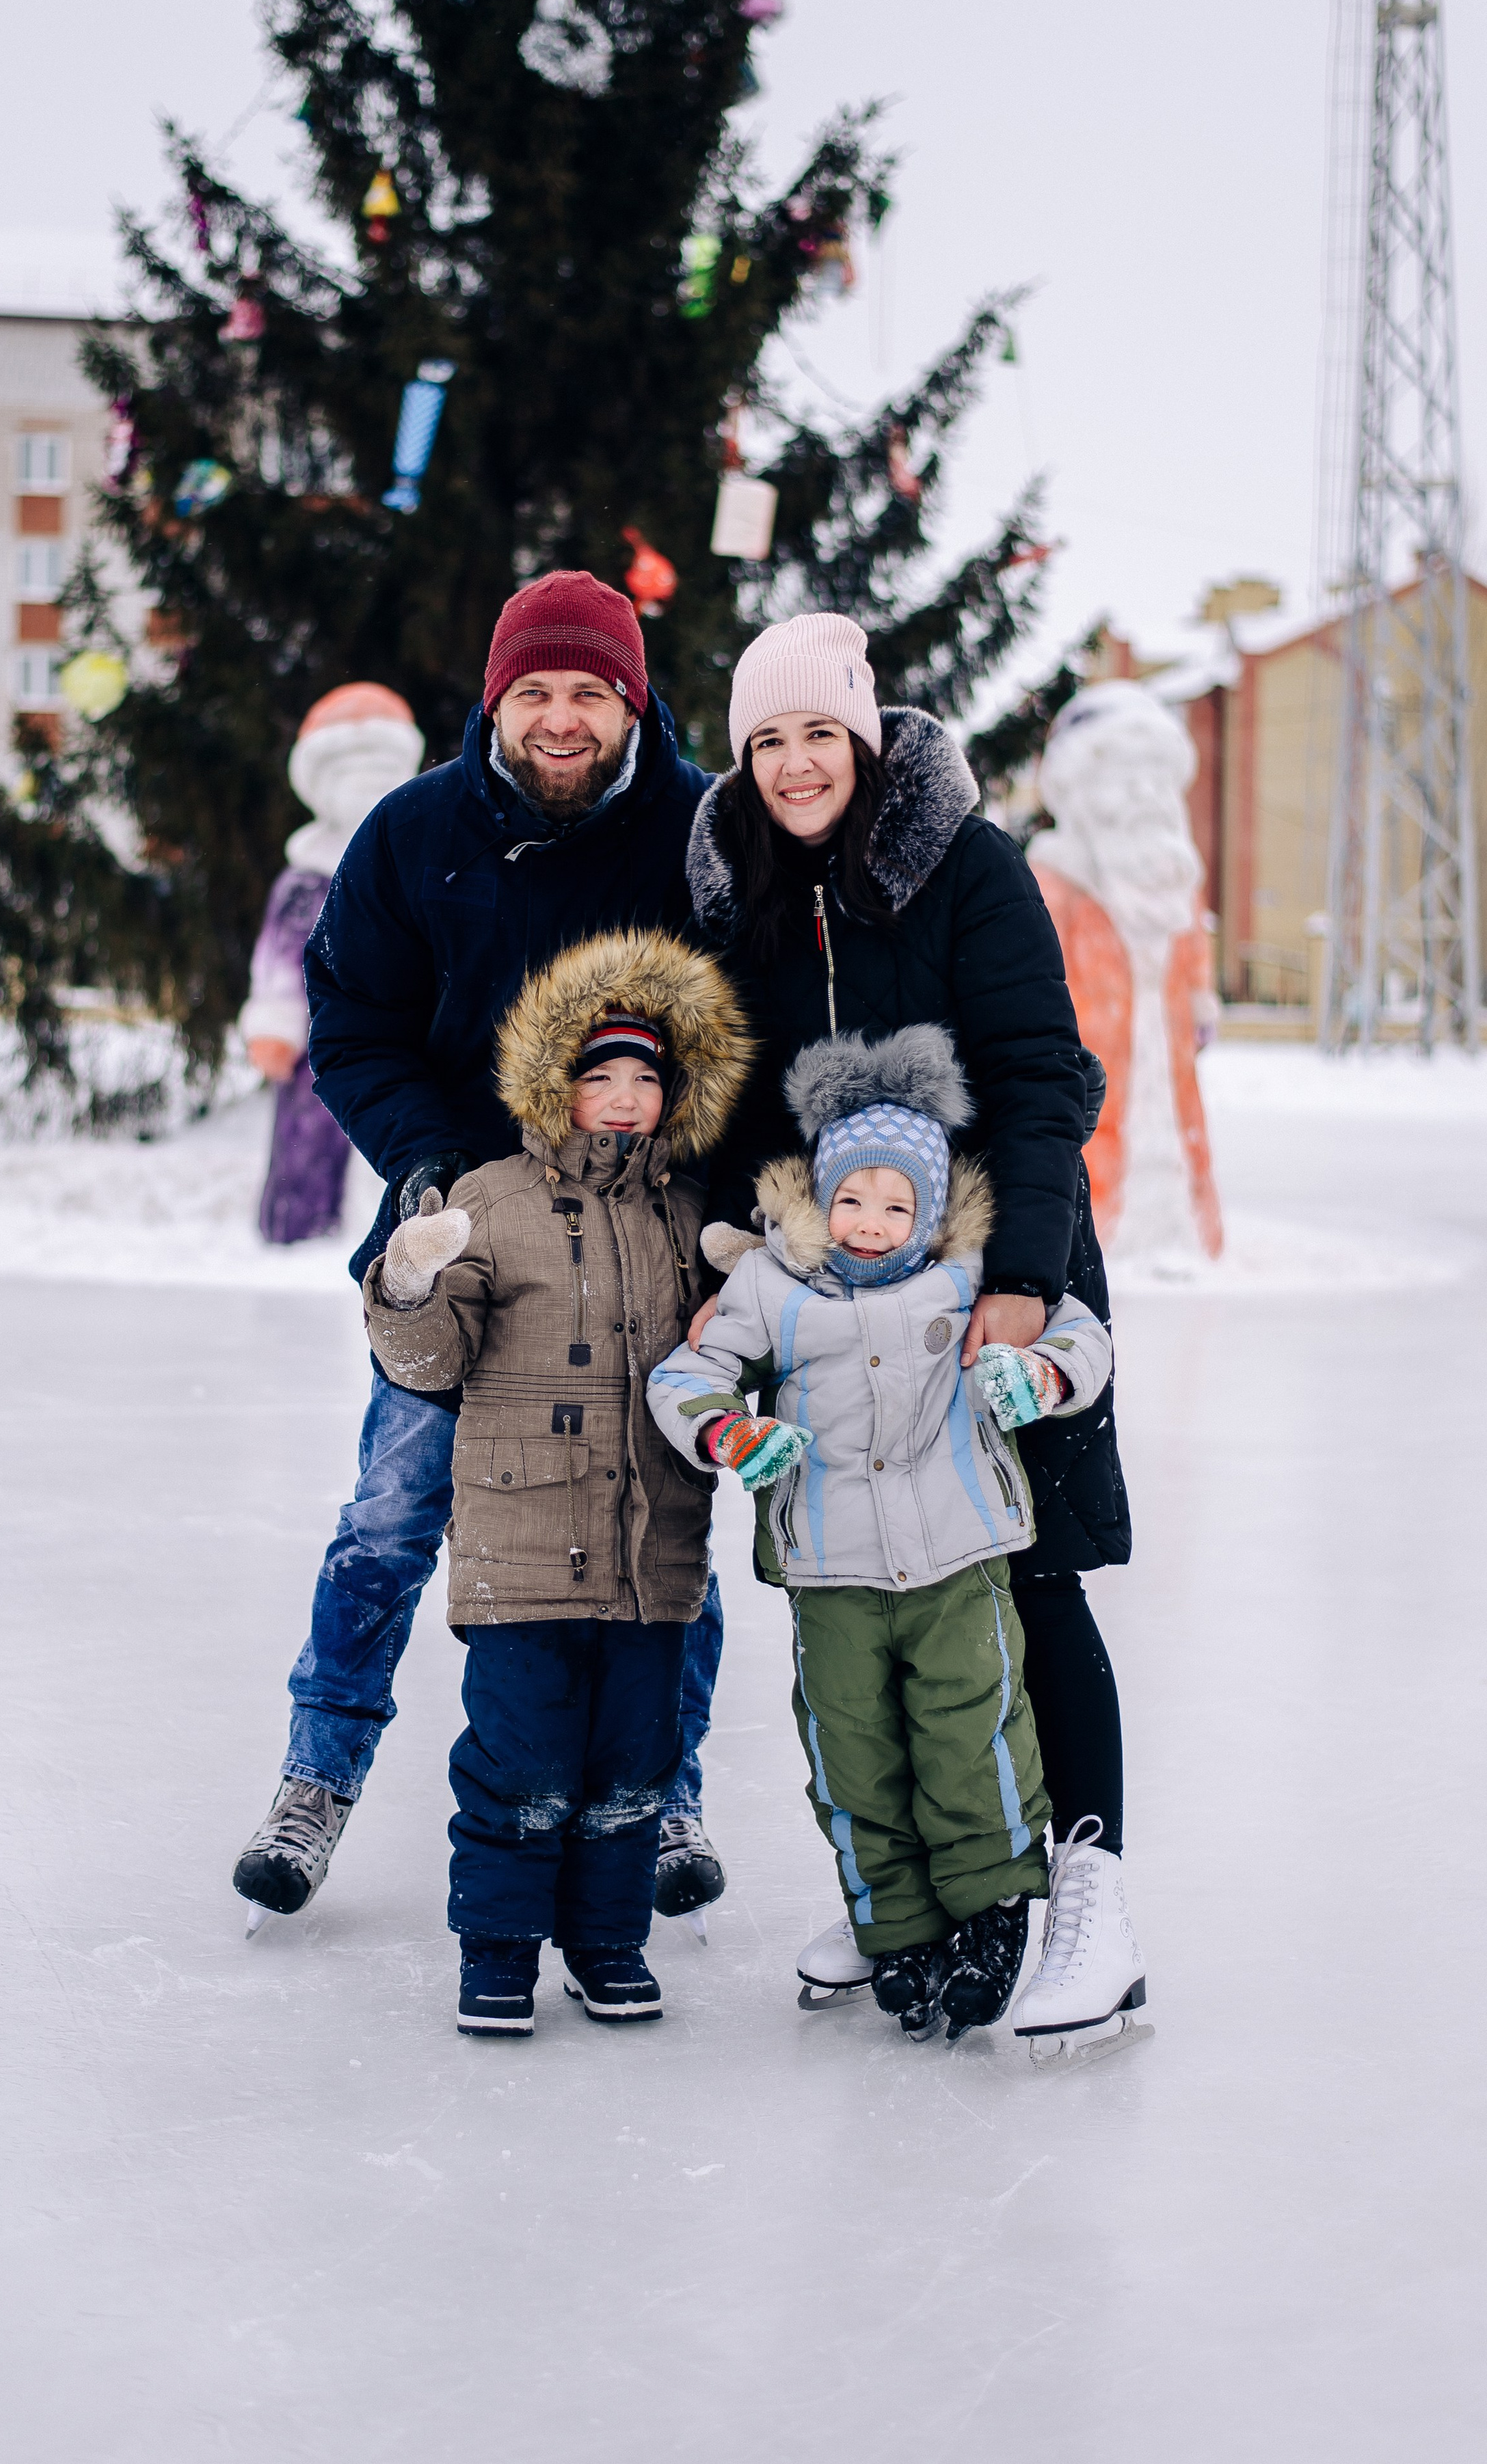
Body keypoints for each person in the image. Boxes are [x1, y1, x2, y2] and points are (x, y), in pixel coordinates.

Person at [232, 571, 730, 1925]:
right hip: (463, 1242)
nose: (559, 719)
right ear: (495, 700)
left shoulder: (700, 834)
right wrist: (424, 1166)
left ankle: (666, 1791)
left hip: (641, 1248)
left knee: (656, 1525)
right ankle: (315, 1775)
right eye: (535, 693)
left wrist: (708, 1199)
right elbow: (354, 1021)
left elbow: (747, 1023)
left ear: (629, 698)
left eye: (587, 692)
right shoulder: (412, 834)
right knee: (392, 1513)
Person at [683, 611, 1143, 2042]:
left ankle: (1086, 1892)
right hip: (835, 1303)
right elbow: (732, 1092)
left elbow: (1040, 1078)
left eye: (820, 732)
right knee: (875, 1597)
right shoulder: (735, 888)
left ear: (866, 739)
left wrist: (1022, 1274)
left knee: (1028, 1571)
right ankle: (944, 1893)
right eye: (767, 739)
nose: (795, 762)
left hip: (995, 1278)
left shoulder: (963, 866)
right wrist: (729, 1249)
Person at [647, 1027, 1118, 2040]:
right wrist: (728, 1429)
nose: (871, 1223)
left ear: (933, 1211)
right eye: (852, 1199)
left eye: (898, 1204)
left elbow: (1081, 1332)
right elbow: (683, 1377)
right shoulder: (771, 1284)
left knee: (972, 1735)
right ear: (820, 1197)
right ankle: (895, 1921)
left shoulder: (964, 1278)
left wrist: (1038, 1373)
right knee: (852, 1747)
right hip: (831, 1568)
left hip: (957, 1556)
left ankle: (989, 1913)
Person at [362, 930, 749, 2034]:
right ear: (556, 1085)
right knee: (522, 1766)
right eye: (600, 1077)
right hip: (522, 1552)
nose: (624, 1098)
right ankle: (496, 1951)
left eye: (645, 1079)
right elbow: (429, 1366)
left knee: (634, 1764)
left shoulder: (688, 1213)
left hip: (652, 1553)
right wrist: (411, 1281)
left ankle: (607, 1945)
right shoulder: (490, 1198)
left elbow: (731, 1355)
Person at [1028, 680, 1222, 1264]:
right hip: (1085, 1074)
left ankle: (1185, 1234)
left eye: (1153, 777)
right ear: (1079, 788)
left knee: (1177, 1138)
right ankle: (1094, 1243)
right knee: (1090, 1153)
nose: (1143, 794)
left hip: (1168, 1068)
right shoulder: (1053, 883)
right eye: (1123, 777)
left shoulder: (1170, 880)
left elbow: (1192, 949)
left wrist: (1201, 999)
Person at [241, 683, 425, 1245]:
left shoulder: (415, 868)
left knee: (417, 1133)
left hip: (406, 1029)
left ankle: (416, 1239)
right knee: (308, 1129)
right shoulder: (308, 879)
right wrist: (275, 1020)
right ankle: (298, 1228)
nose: (370, 790)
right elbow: (280, 955)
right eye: (354, 777)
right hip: (323, 1035)